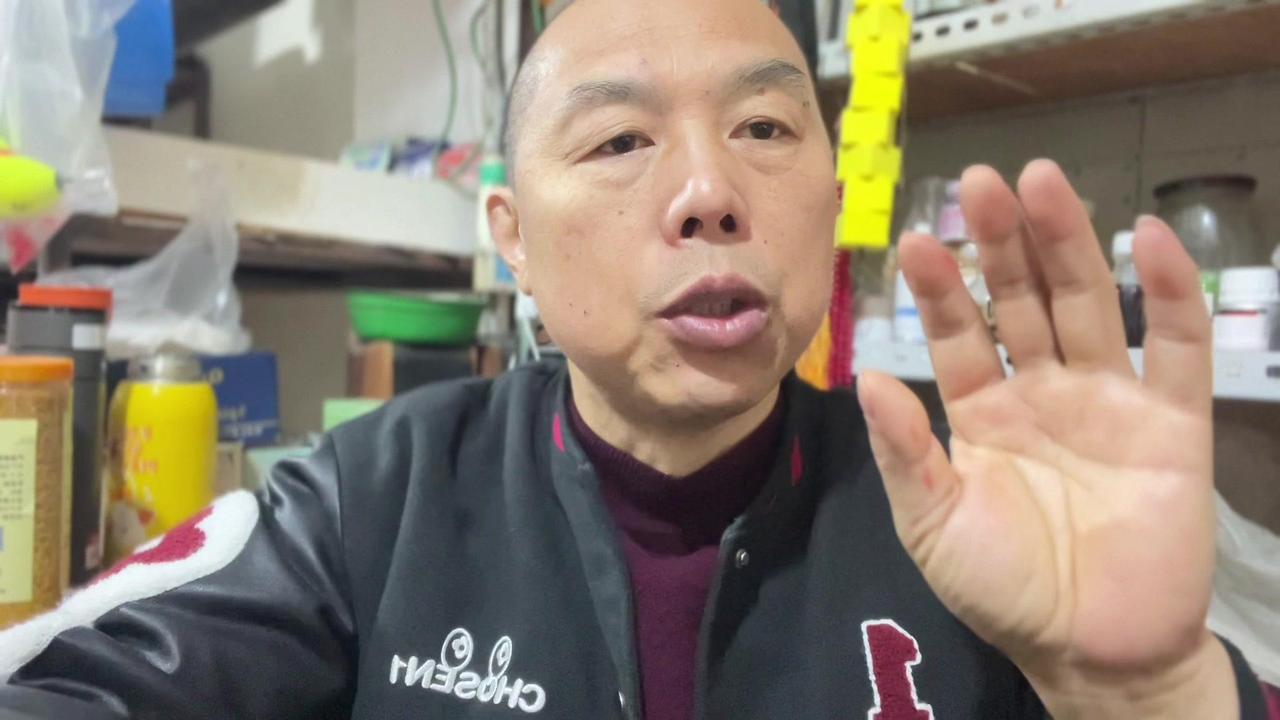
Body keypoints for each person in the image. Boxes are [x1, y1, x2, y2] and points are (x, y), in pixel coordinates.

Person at [0, 0, 1265, 717]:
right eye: (618, 142)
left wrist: (1157, 693)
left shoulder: (971, 510)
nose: (710, 192)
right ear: (511, 239)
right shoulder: (370, 501)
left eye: (764, 127)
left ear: (830, 205)